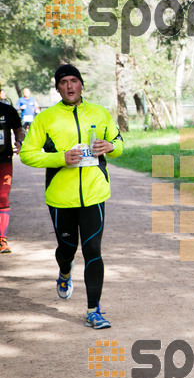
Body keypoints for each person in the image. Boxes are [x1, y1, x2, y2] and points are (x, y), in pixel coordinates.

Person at [20, 64, 124, 329]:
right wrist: (60, 158)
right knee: (67, 250)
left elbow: (119, 142)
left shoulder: (100, 113)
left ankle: (94, 310)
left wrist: (110, 147)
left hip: (94, 194)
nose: (69, 86)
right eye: (64, 82)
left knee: (92, 250)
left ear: (81, 85)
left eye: (74, 80)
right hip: (60, 198)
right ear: (57, 88)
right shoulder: (47, 118)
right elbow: (27, 153)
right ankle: (64, 272)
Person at [0, 101, 24, 253]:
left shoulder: (7, 110)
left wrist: (19, 141)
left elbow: (18, 129)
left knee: (3, 196)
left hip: (4, 160)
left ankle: (2, 239)